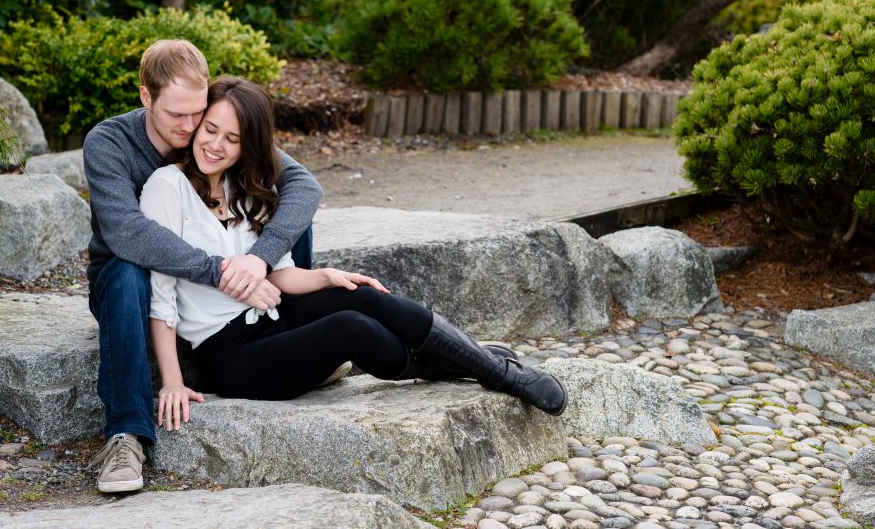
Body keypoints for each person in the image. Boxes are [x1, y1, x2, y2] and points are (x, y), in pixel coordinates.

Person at [139, 76, 568, 433]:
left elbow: (279, 275)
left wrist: (327, 276)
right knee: (351, 327)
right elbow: (161, 295)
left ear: (247, 145)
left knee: (362, 295)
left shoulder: (242, 186)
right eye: (210, 129)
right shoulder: (166, 187)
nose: (215, 145)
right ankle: (482, 363)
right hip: (233, 356)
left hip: (275, 317)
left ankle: (497, 373)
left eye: (232, 139)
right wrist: (172, 381)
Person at [82, 40, 323, 493]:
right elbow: (127, 232)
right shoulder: (109, 143)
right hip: (130, 286)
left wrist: (259, 259)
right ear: (145, 96)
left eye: (198, 113)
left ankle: (285, 331)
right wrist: (225, 274)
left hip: (228, 296)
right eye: (177, 115)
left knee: (287, 219)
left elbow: (304, 186)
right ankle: (126, 434)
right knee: (126, 269)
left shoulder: (208, 126)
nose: (191, 127)